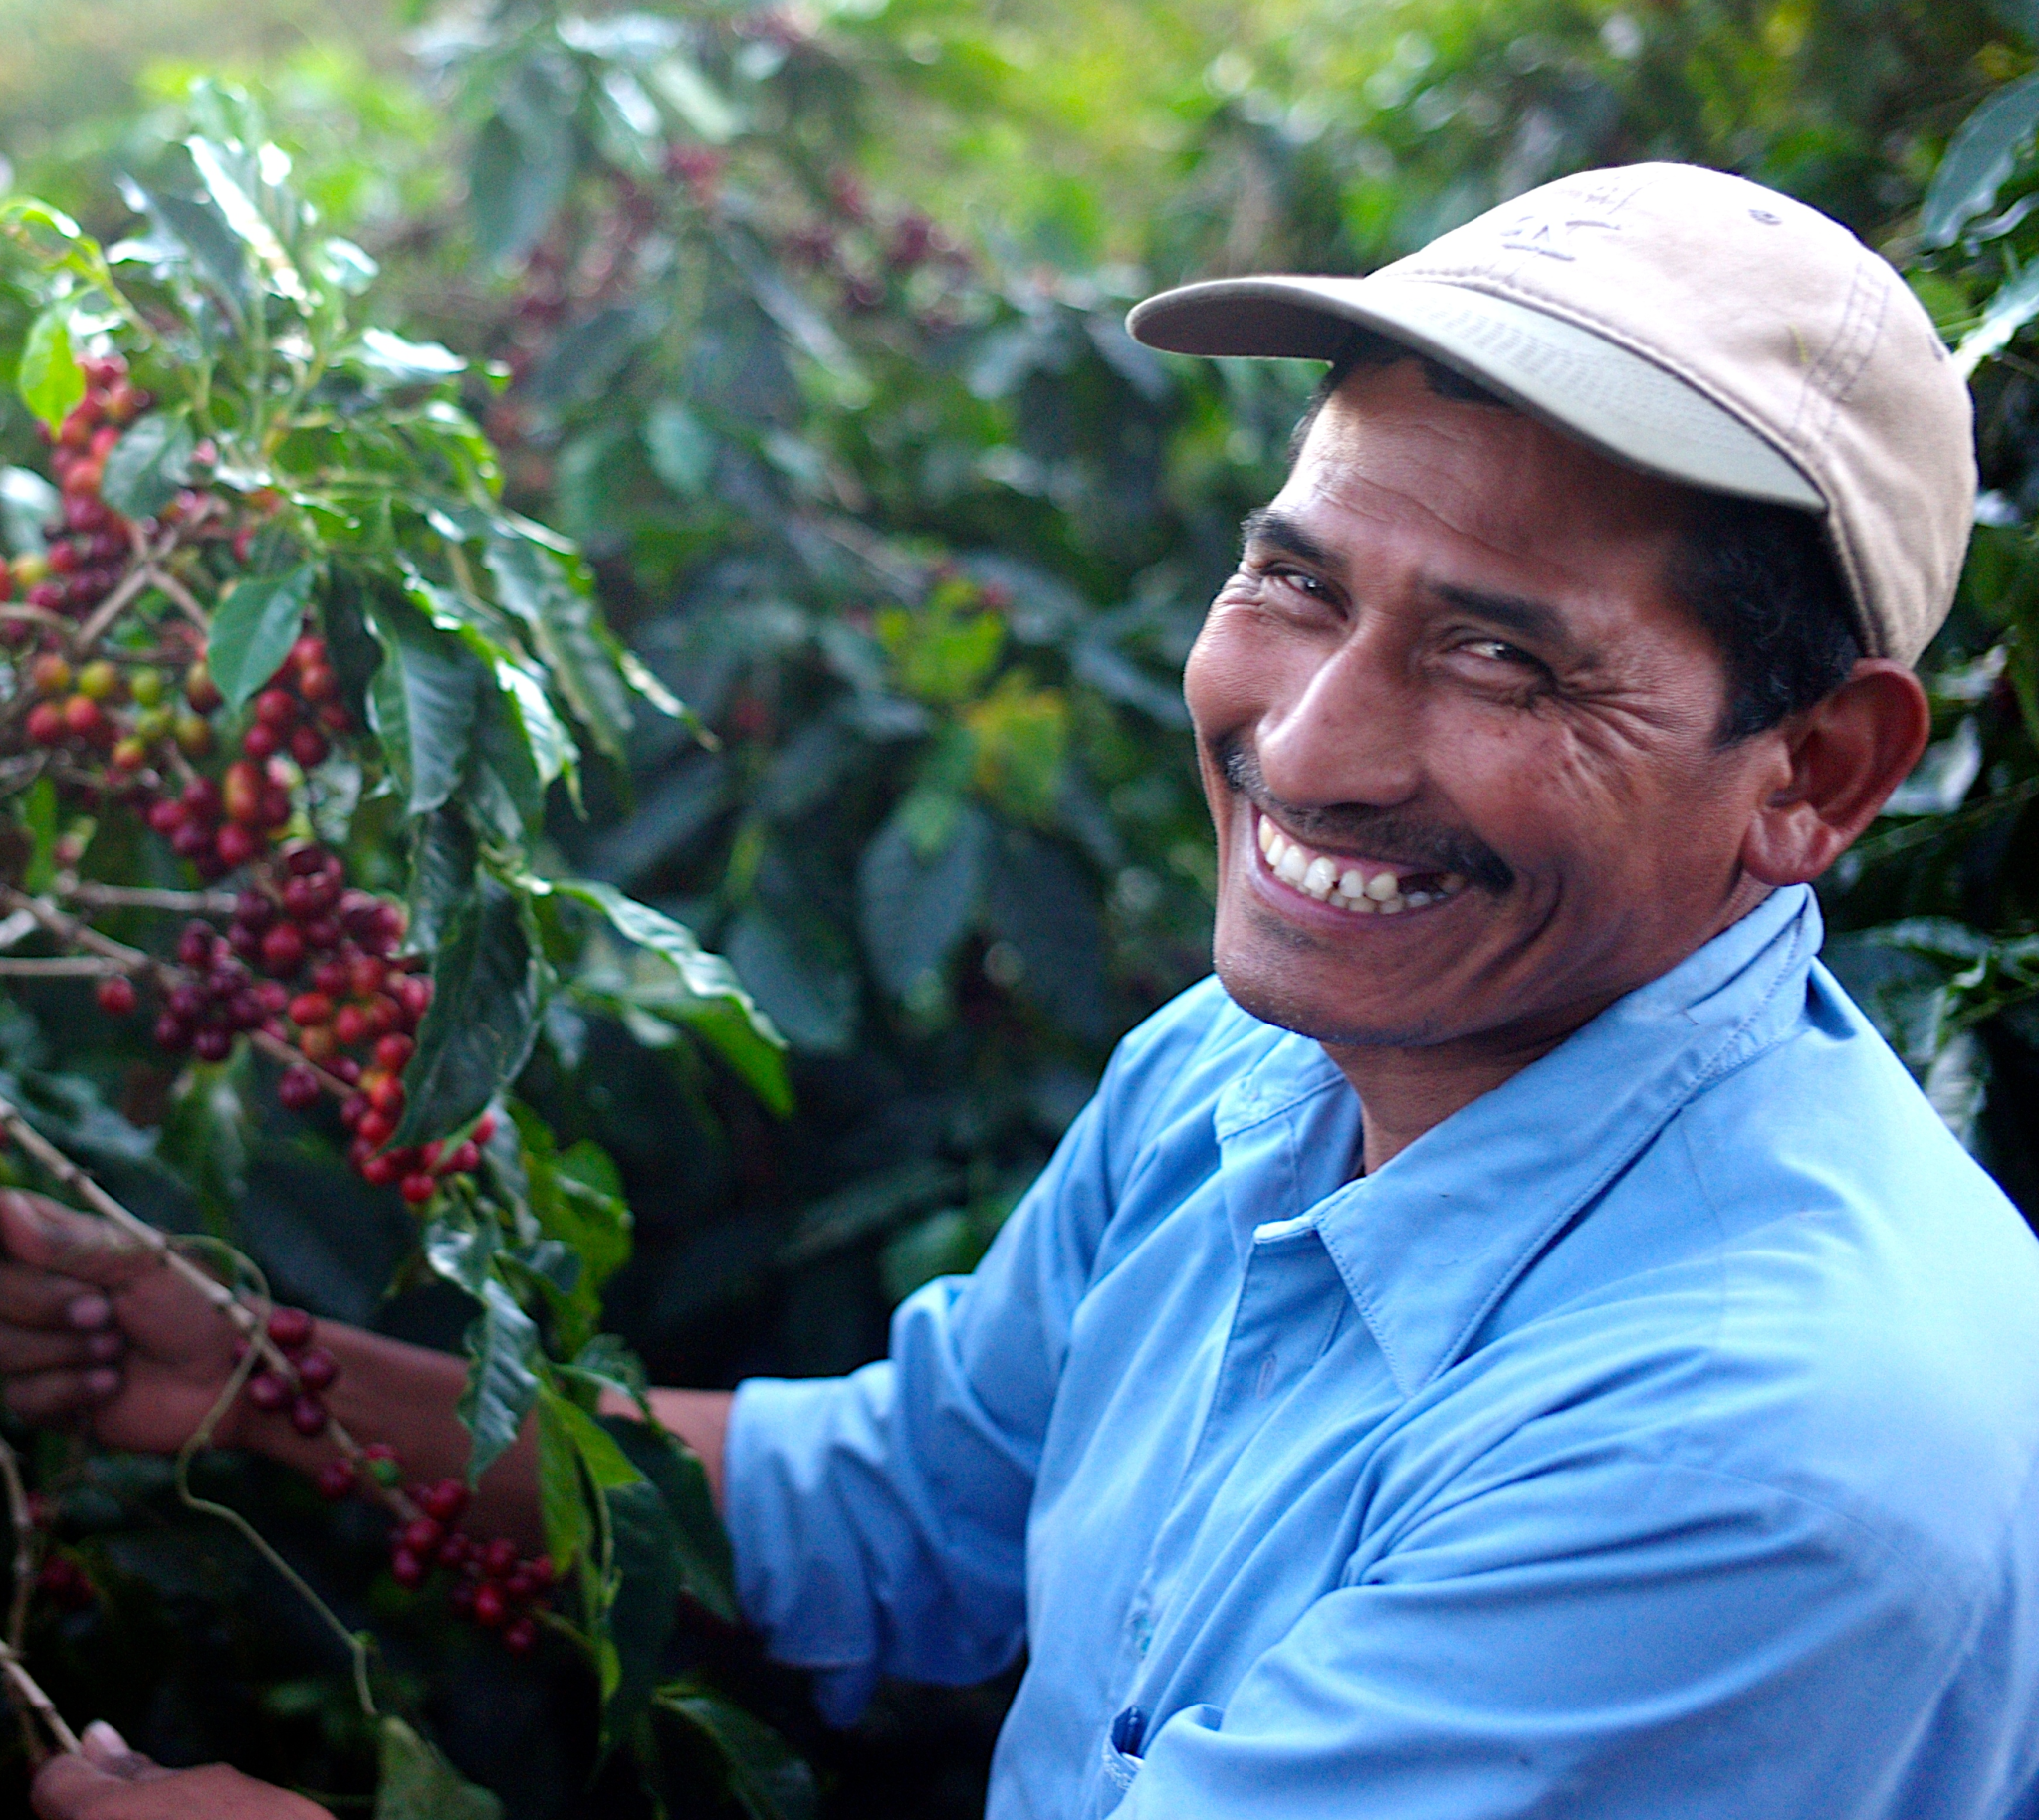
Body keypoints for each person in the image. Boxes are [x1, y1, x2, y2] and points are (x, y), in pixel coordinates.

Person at [12, 161, 2039, 1820]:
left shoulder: (1762, 1453)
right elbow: (899, 1503)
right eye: (1299, 581)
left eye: (1505, 658)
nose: (1309, 743)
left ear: (1817, 775)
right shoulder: (1248, 1068)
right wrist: (228, 1375)